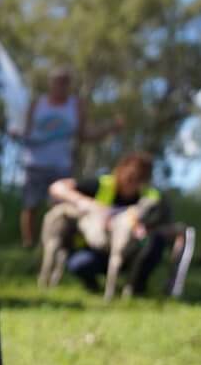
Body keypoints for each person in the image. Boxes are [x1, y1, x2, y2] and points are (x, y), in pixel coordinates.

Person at [15, 67, 121, 247]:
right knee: (30, 206)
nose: (61, 85)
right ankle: (28, 245)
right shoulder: (38, 104)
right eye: (57, 81)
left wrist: (110, 128)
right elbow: (25, 131)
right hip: (35, 163)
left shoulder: (75, 105)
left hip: (61, 165)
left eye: (65, 81)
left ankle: (53, 245)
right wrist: (17, 134)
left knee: (61, 208)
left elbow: (85, 134)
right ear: (50, 83)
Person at [47, 151, 166, 294]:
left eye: (139, 178)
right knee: (79, 264)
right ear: (120, 170)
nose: (132, 181)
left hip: (131, 250)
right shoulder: (103, 184)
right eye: (130, 176)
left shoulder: (149, 198)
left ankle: (137, 285)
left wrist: (145, 229)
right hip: (97, 249)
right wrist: (85, 202)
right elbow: (57, 187)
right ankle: (92, 285)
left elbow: (162, 224)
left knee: (156, 241)